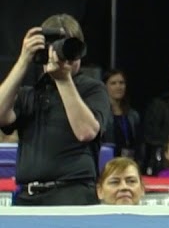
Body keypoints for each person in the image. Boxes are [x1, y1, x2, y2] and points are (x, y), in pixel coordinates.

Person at [0, 16, 110, 206]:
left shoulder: (93, 89)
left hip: (73, 194)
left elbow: (86, 132)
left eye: (68, 47)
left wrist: (63, 79)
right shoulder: (29, 94)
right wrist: (23, 60)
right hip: (28, 196)